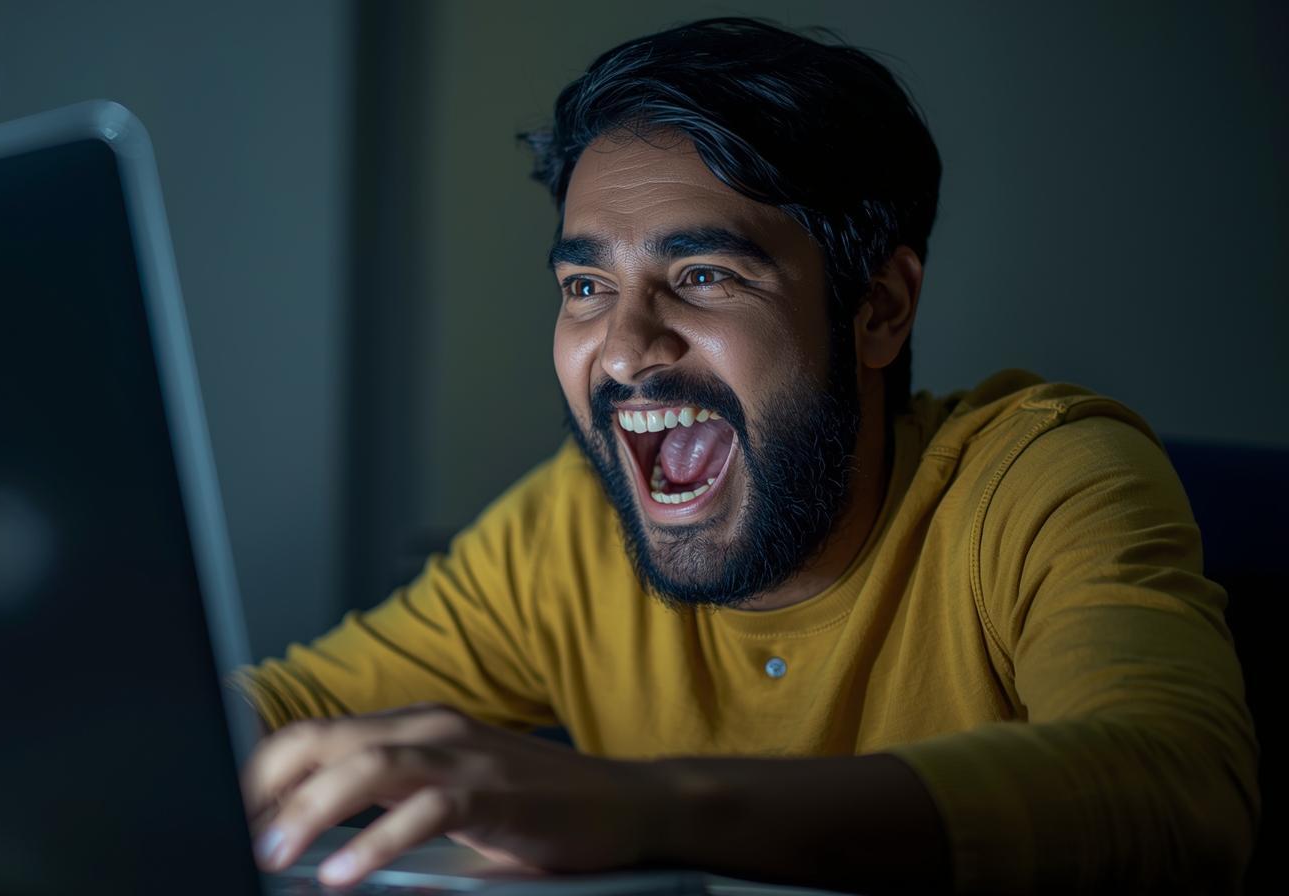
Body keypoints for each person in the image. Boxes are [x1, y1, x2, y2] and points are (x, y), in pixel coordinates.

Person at [230, 17, 1258, 894]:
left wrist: (647, 806)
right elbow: (267, 716)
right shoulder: (566, 531)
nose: (624, 348)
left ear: (879, 310)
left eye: (705, 274)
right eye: (585, 287)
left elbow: (1179, 786)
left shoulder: (1039, 476)